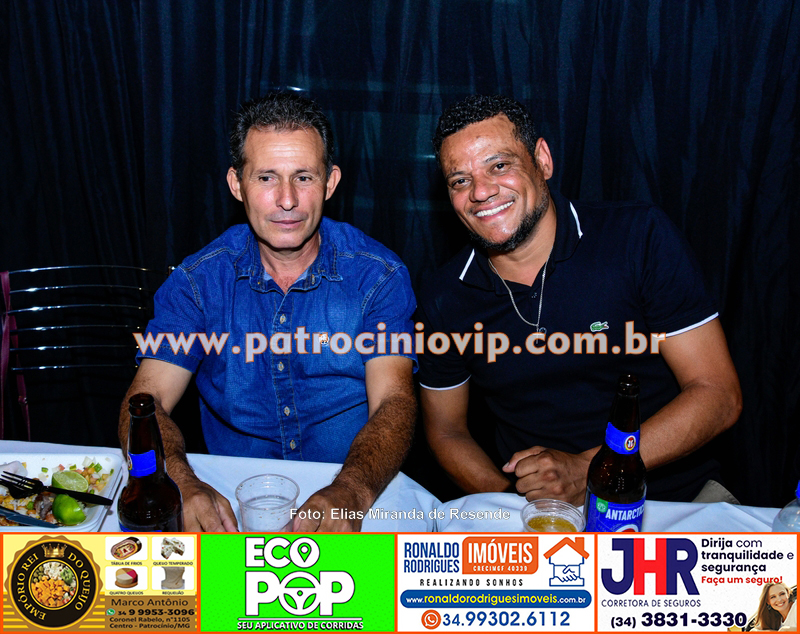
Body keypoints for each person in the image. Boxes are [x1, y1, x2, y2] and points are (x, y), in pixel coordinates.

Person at [417, 95, 742, 504]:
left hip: (673, 500)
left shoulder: (637, 239)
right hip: (538, 515)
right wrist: (515, 503)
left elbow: (717, 393)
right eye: (460, 181)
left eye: (499, 166)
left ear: (542, 160)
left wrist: (589, 468)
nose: (480, 191)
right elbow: (446, 431)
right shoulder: (445, 296)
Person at [120, 92, 417, 532]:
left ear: (330, 183)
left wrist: (352, 490)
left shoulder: (378, 276)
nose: (287, 200)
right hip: (231, 497)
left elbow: (394, 401)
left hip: (358, 486)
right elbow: (144, 403)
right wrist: (180, 481)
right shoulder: (198, 283)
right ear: (236, 184)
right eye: (265, 178)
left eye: (304, 177)